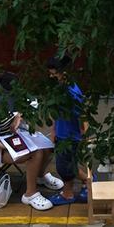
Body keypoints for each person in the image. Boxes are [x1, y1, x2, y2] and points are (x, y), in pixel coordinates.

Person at [0, 72, 63, 211]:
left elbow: (33, 103)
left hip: (19, 135)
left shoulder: (15, 95)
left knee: (49, 146)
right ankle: (30, 194)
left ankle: (40, 174)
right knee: (36, 153)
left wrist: (19, 117)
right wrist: (7, 145)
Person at [47, 55, 90, 206]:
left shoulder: (71, 93)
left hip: (70, 136)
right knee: (69, 163)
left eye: (54, 73)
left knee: (64, 166)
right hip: (63, 132)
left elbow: (81, 116)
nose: (51, 76)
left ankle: (68, 194)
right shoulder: (63, 88)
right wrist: (53, 131)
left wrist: (83, 135)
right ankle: (88, 181)